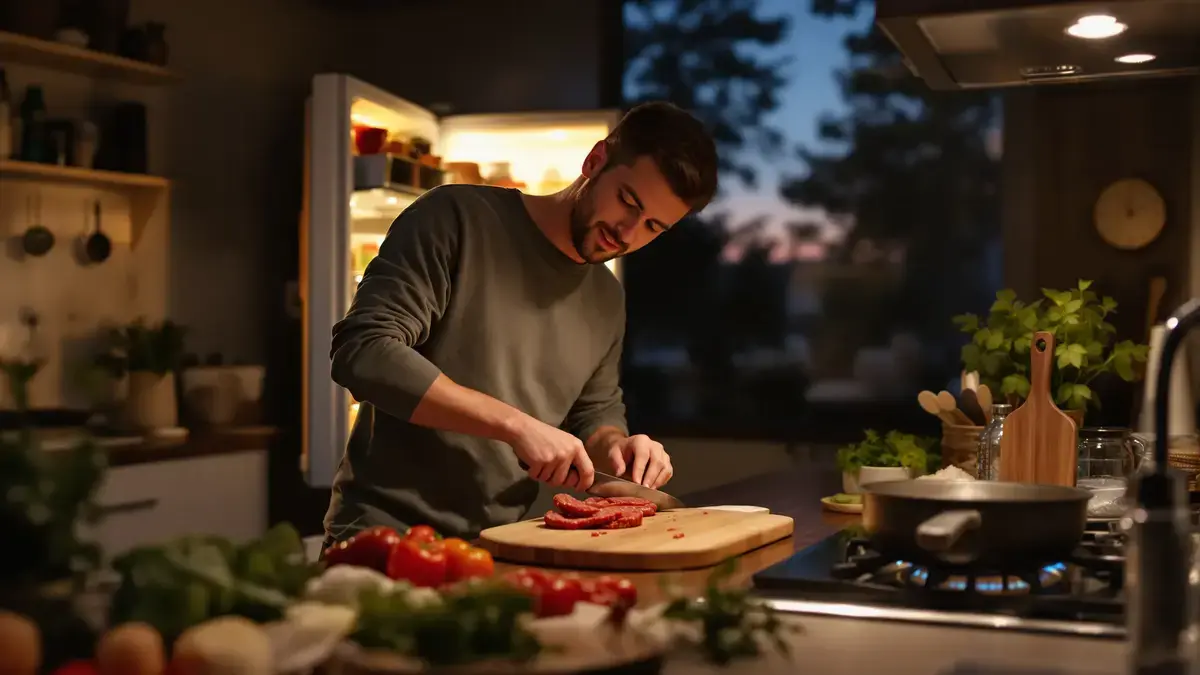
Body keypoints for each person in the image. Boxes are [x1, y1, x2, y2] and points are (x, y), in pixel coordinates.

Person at [323, 101, 719, 543]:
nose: (628, 233)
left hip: (501, 543)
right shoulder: (457, 218)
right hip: (385, 535)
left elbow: (593, 412)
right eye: (628, 201)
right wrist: (516, 425)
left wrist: (618, 451)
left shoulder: (607, 297)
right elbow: (364, 352)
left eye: (652, 227)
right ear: (595, 160)